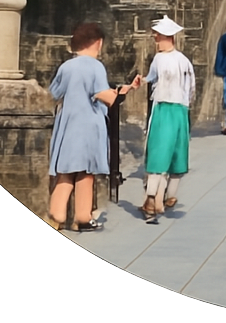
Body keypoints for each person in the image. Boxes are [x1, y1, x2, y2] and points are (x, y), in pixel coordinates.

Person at [47, 22, 138, 232]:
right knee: (86, 173)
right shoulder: (95, 66)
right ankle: (82, 217)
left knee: (66, 172)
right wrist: (123, 92)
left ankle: (56, 215)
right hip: (88, 125)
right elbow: (104, 96)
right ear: (98, 43)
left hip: (67, 124)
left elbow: (54, 93)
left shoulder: (66, 66)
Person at [138, 15, 195, 222]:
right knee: (177, 152)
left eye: (157, 35)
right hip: (180, 110)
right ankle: (170, 195)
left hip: (164, 108)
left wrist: (142, 81)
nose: (155, 38)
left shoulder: (160, 59)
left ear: (165, 36)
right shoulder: (184, 61)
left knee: (158, 153)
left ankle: (152, 199)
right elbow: (191, 89)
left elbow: (151, 78)